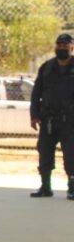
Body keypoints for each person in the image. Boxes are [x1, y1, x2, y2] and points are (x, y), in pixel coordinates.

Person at [30, 33, 74, 200]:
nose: (62, 48)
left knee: (71, 155)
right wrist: (34, 116)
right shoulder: (47, 67)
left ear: (72, 47)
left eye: (65, 45)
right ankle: (45, 187)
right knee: (44, 153)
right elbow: (36, 94)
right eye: (59, 45)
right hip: (48, 120)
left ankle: (72, 188)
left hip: (70, 122)